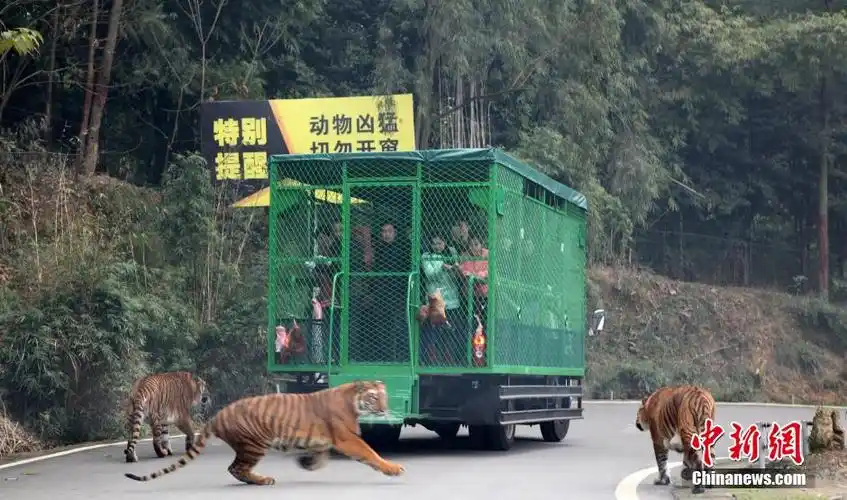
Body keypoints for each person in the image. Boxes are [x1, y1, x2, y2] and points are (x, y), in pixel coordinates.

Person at [421, 234, 464, 365]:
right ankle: (433, 361)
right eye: (434, 243)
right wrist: (442, 266)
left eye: (440, 243)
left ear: (445, 243)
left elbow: (458, 274)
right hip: (435, 301)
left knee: (450, 333)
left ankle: (449, 361)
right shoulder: (426, 256)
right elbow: (430, 275)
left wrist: (455, 268)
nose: (437, 246)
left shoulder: (451, 253)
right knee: (434, 333)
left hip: (451, 301)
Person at [370, 222, 411, 362]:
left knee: (399, 325)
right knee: (383, 326)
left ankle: (402, 356)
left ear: (395, 233)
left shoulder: (403, 249)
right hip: (382, 294)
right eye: (383, 231)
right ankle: (385, 355)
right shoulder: (379, 249)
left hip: (398, 293)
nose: (386, 234)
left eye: (389, 231)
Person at [459, 234, 489, 330]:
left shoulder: (487, 254)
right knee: (469, 324)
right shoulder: (464, 256)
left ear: (481, 244)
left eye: (476, 244)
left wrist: (475, 275)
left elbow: (489, 272)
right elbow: (463, 272)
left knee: (484, 323)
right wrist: (472, 275)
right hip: (469, 295)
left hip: (483, 295)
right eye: (471, 245)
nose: (473, 248)